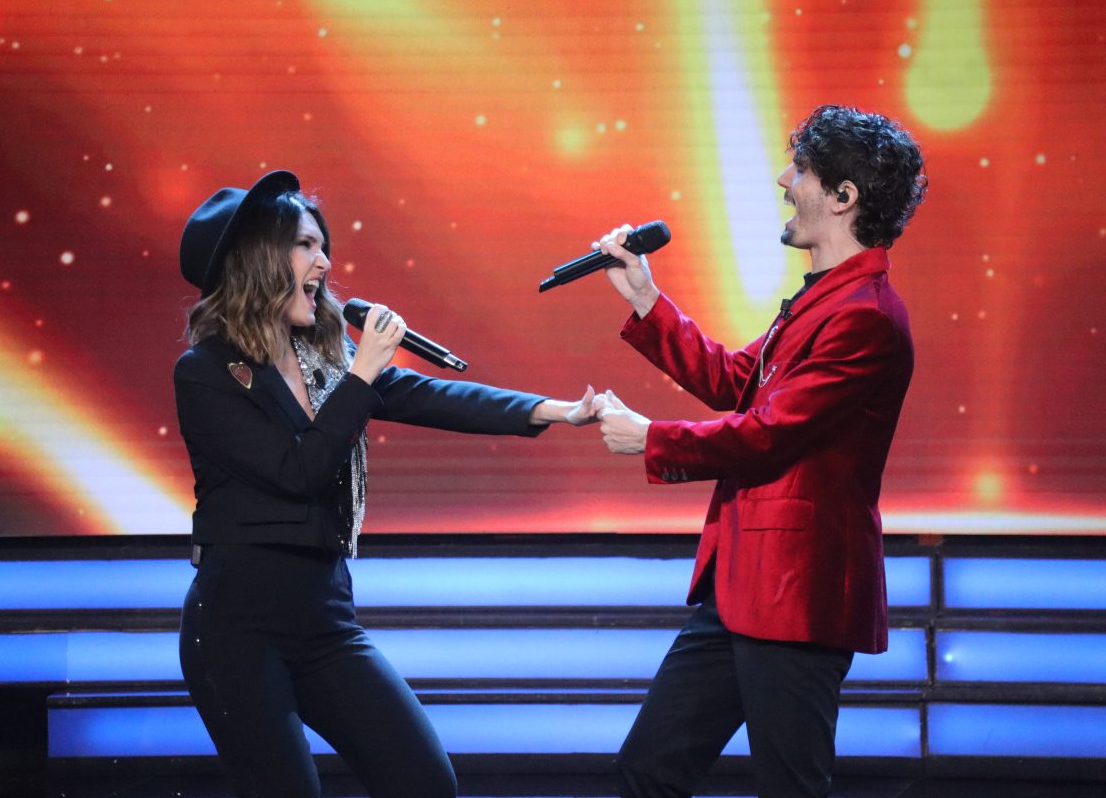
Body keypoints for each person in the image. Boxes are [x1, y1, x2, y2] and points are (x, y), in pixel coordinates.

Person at [173, 169, 596, 798]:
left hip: (324, 616)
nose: (324, 262)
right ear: (257, 260)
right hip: (237, 626)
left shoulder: (327, 361)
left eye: (323, 246)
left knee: (423, 780)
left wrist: (551, 411)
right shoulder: (204, 373)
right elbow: (298, 471)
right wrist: (362, 373)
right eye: (305, 245)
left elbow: (431, 396)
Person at [590, 105, 926, 797]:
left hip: (798, 593)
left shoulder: (865, 316)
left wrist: (651, 438)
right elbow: (736, 381)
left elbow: (768, 433)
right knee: (647, 771)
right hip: (744, 586)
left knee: (789, 786)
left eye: (800, 169)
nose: (783, 180)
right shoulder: (824, 300)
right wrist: (647, 299)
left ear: (844, 196)